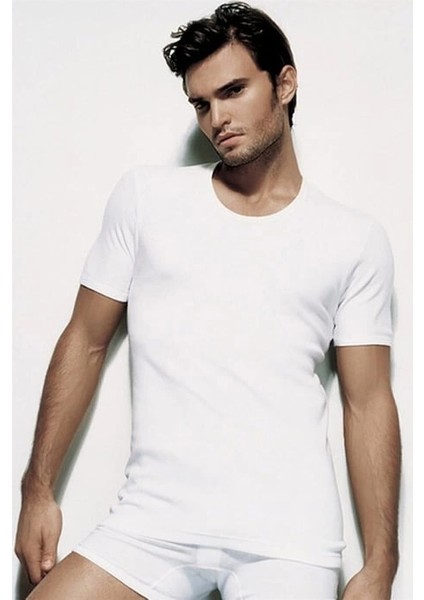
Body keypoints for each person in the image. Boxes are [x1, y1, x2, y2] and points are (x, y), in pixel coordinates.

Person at [14, 2, 402, 599]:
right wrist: (37, 490)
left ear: (285, 84)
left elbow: (367, 401)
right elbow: (86, 340)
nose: (217, 118)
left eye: (233, 91)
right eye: (201, 103)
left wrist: (381, 564)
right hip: (150, 527)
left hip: (288, 540)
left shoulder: (353, 239)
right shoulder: (146, 200)